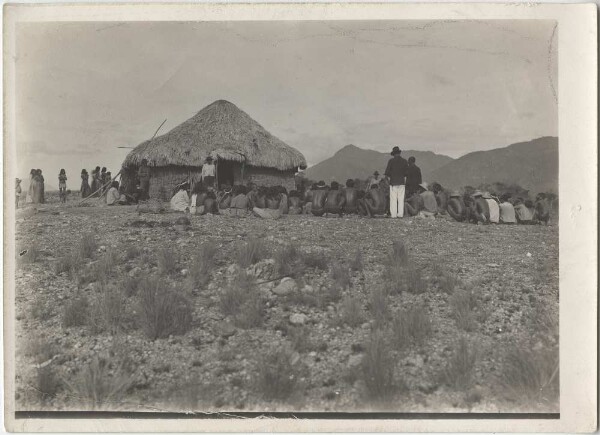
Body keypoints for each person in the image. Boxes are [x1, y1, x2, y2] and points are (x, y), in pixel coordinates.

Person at [384, 146, 408, 218]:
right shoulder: (404, 161)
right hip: (401, 182)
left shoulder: (391, 161)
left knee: (393, 199)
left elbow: (387, 173)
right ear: (399, 153)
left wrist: (390, 178)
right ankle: (400, 214)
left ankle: (393, 215)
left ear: (394, 154)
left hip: (393, 182)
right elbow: (406, 173)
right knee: (401, 199)